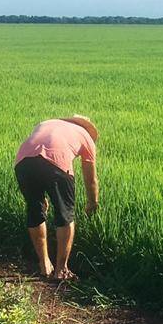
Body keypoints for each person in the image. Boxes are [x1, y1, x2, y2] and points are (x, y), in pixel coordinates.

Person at [14, 115, 99, 281]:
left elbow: (38, 156)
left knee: (35, 209)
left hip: (22, 163)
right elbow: (91, 179)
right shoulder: (85, 135)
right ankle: (62, 269)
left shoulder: (46, 123)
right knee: (65, 215)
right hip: (57, 163)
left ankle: (44, 263)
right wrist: (92, 202)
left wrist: (42, 193)